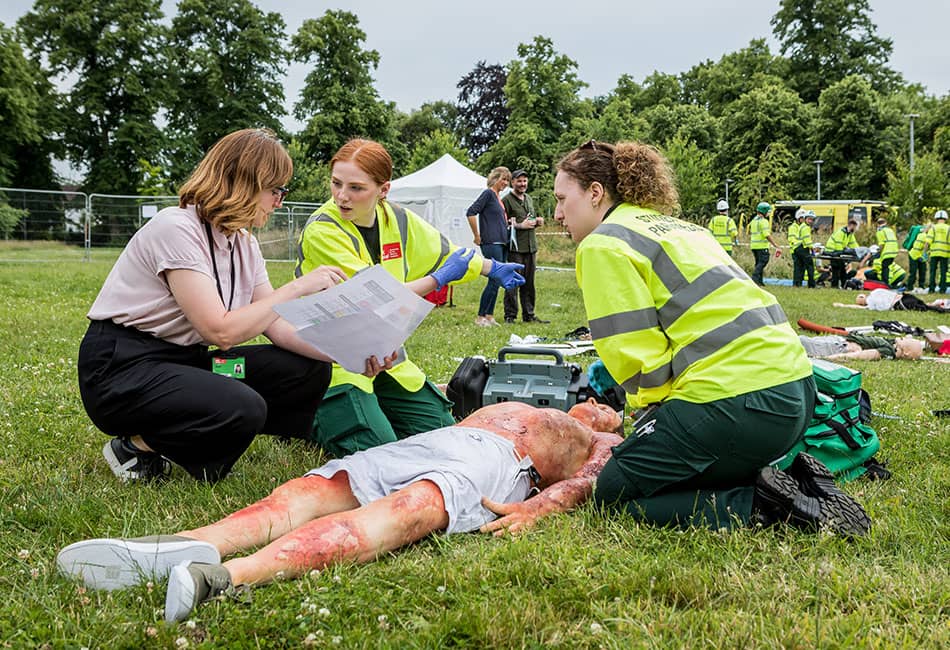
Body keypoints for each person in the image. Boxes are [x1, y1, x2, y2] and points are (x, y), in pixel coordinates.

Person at [549, 139, 869, 533]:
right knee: (679, 461)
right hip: (797, 395)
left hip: (736, 403)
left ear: (595, 193)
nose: (559, 214)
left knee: (614, 493)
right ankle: (795, 485)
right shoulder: (677, 227)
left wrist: (652, 415)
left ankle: (766, 507)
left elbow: (636, 357)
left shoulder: (604, 243)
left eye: (563, 199)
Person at [56, 400, 625, 622]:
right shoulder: (518, 401)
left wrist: (540, 508)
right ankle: (184, 543)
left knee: (402, 512)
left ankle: (223, 577)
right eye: (597, 398)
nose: (598, 404)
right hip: (441, 439)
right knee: (304, 492)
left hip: (497, 466)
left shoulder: (597, 441)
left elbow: (589, 483)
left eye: (606, 406)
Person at [77, 128, 394, 484]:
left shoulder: (243, 242)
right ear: (243, 184)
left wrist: (348, 352)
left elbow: (277, 326)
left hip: (186, 363)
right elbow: (220, 331)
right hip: (124, 368)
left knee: (306, 370)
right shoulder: (176, 228)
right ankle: (136, 446)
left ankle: (199, 439)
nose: (280, 201)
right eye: (275, 190)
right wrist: (300, 286)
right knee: (241, 404)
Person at [296, 139, 525, 457]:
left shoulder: (398, 220)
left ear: (383, 190)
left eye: (356, 187)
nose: (341, 196)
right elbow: (373, 295)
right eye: (336, 183)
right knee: (379, 452)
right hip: (335, 362)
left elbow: (446, 253)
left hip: (386, 357)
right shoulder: (323, 229)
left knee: (442, 433)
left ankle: (376, 409)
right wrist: (437, 279)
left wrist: (491, 266)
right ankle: (309, 418)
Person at [468, 167, 514, 326]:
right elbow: (471, 212)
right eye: (503, 179)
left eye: (507, 180)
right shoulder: (488, 194)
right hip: (491, 242)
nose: (505, 183)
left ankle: (489, 315)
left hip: (501, 242)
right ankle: (480, 317)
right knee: (494, 278)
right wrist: (477, 235)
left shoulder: (499, 198)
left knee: (498, 279)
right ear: (495, 178)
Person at [502, 169, 549, 324]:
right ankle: (510, 315)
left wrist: (538, 221)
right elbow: (504, 223)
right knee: (513, 281)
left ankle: (529, 315)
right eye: (519, 181)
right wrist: (520, 225)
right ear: (512, 182)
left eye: (524, 181)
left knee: (529, 283)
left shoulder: (528, 198)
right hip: (515, 248)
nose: (522, 184)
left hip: (530, 247)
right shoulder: (506, 200)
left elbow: (531, 218)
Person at [799, 334, 925, 361]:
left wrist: (827, 359)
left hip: (839, 347)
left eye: (908, 341)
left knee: (800, 342)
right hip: (840, 341)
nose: (906, 337)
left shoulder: (888, 351)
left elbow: (860, 355)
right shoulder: (892, 343)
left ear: (906, 352)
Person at [748, 201, 781, 285]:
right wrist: (775, 245)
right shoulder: (763, 221)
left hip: (754, 246)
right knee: (763, 262)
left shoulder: (754, 220)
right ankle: (754, 279)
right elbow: (766, 235)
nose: (769, 213)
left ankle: (760, 282)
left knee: (758, 263)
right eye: (768, 211)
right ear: (764, 211)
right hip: (762, 246)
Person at [833, 289, 948, 313]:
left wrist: (843, 305)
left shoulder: (873, 296)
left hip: (901, 301)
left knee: (924, 307)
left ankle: (939, 306)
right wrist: (843, 305)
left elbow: (858, 307)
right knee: (924, 306)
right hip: (903, 299)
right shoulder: (873, 298)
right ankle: (939, 306)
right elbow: (858, 307)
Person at [823, 219, 859, 289]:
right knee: (836, 269)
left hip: (838, 252)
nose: (855, 229)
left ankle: (843, 285)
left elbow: (854, 244)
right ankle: (835, 286)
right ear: (850, 225)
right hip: (832, 251)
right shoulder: (841, 232)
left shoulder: (849, 234)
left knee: (842, 269)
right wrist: (843, 253)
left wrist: (859, 251)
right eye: (854, 227)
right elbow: (838, 245)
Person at [789, 209, 816, 287]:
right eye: (809, 219)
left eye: (812, 219)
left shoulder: (801, 226)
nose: (811, 221)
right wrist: (812, 248)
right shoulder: (805, 227)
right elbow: (806, 239)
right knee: (810, 266)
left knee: (799, 267)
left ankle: (797, 284)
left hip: (797, 248)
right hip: (802, 248)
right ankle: (811, 285)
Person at [927, 209, 949, 293]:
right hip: (945, 253)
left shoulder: (933, 228)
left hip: (934, 253)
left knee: (932, 271)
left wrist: (925, 252)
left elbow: (928, 241)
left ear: (936, 218)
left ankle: (931, 289)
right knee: (943, 272)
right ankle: (942, 289)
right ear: (946, 218)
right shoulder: (948, 228)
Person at [905, 223, 931, 293]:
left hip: (920, 256)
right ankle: (910, 287)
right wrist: (924, 256)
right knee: (913, 272)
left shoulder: (923, 235)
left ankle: (921, 286)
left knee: (922, 272)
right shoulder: (923, 236)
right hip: (914, 255)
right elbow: (925, 247)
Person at [875, 217, 899, 286]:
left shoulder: (880, 231)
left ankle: (885, 284)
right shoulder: (890, 230)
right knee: (887, 266)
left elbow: (882, 244)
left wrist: (879, 252)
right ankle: (887, 283)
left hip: (887, 251)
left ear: (878, 224)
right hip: (894, 251)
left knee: (884, 267)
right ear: (886, 223)